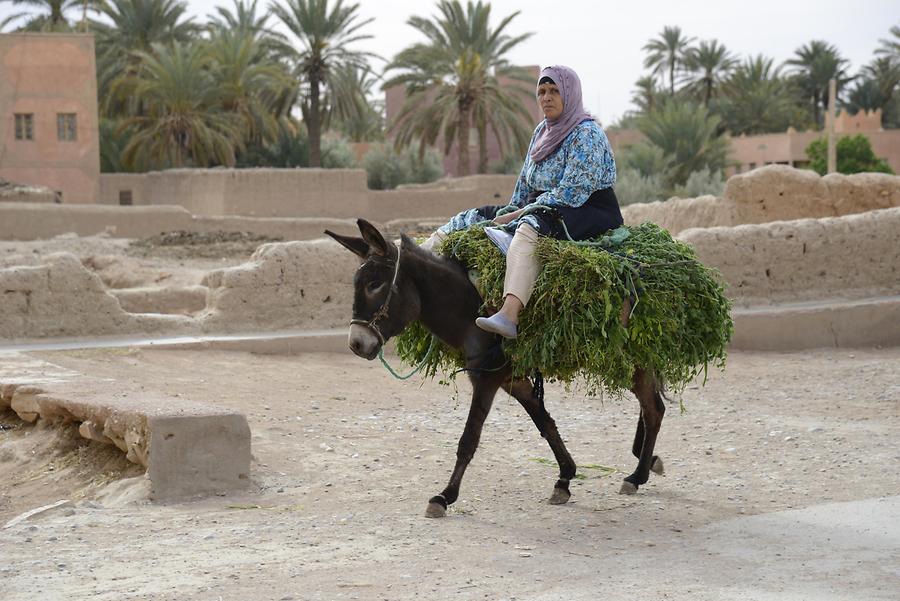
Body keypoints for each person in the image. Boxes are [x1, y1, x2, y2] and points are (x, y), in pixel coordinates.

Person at [421, 65, 623, 339]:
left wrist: (523, 214)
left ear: (570, 94)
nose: (546, 97)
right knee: (475, 216)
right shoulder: (542, 131)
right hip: (544, 204)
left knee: (529, 227)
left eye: (554, 91)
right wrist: (511, 209)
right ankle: (413, 256)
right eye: (541, 91)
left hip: (588, 207)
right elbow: (525, 182)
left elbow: (573, 191)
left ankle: (509, 314)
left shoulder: (586, 134)